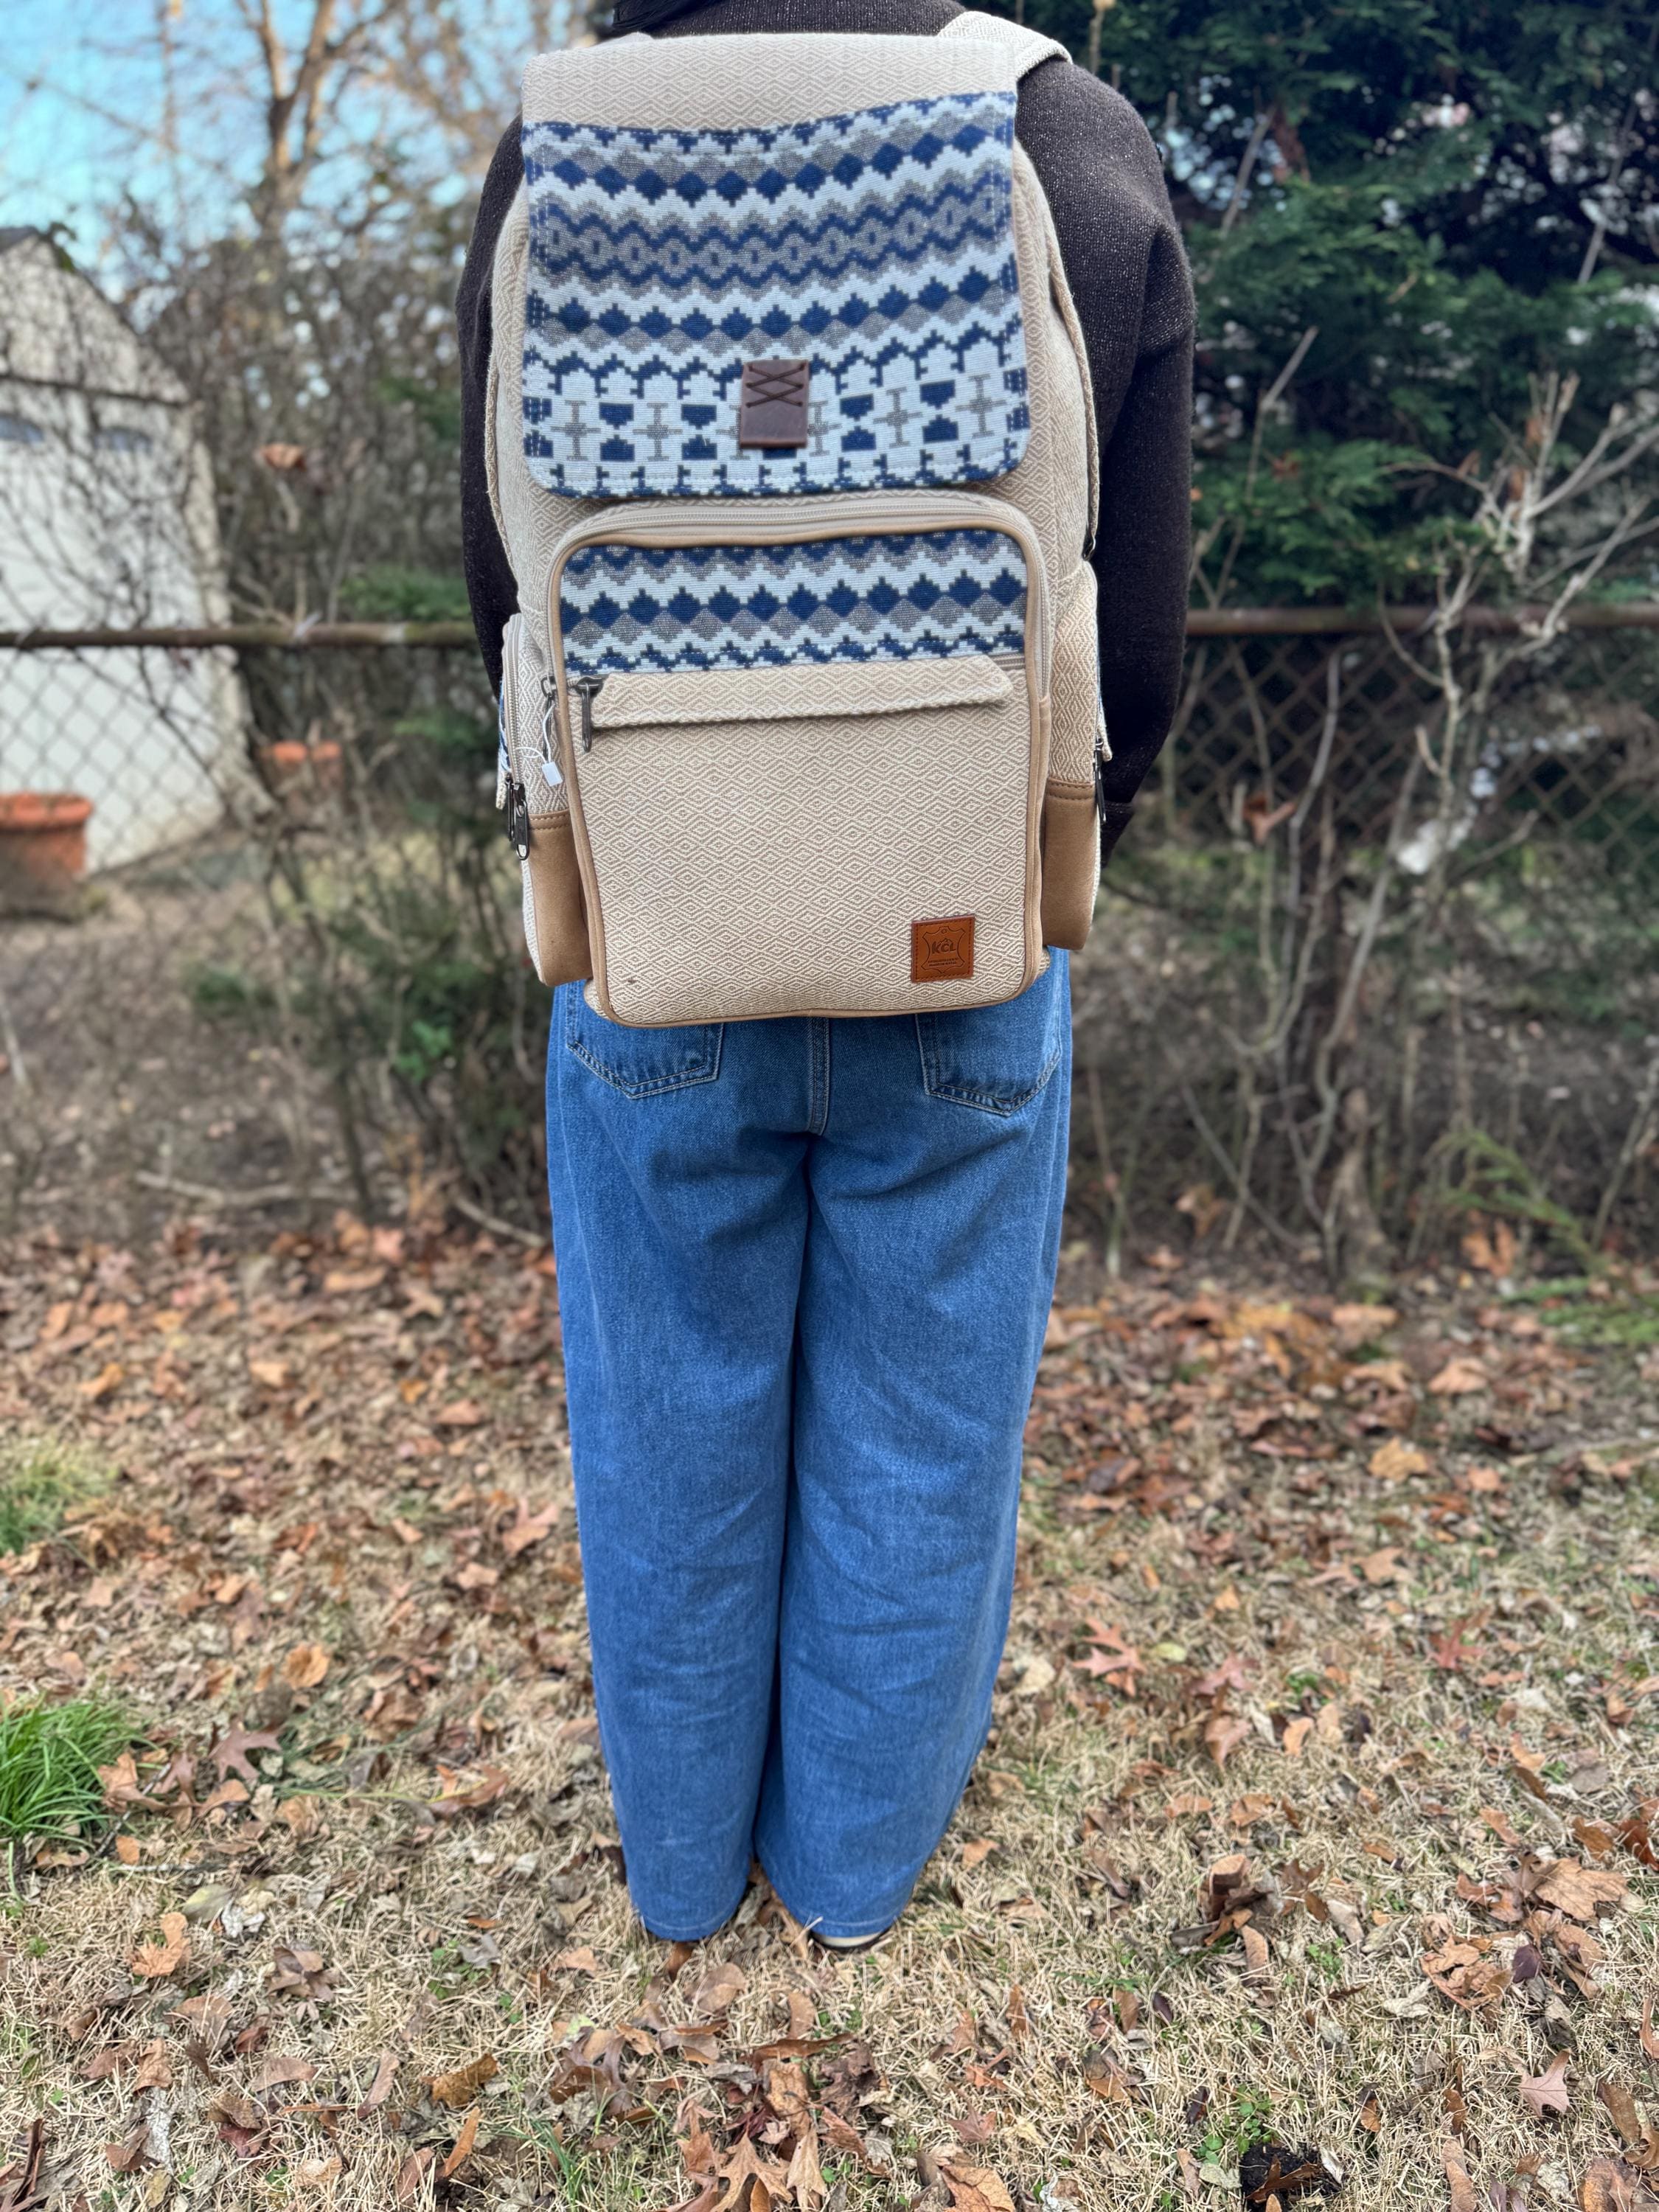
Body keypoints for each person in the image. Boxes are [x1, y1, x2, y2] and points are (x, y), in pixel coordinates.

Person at [456, 0, 1193, 1949]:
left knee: (664, 1436)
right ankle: (852, 1875)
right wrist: (1026, 834)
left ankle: (686, 1876)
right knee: (924, 1435)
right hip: (959, 932)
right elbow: (1138, 646)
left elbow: (503, 592)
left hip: (649, 943)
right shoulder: (1068, 138)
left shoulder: (560, 150)